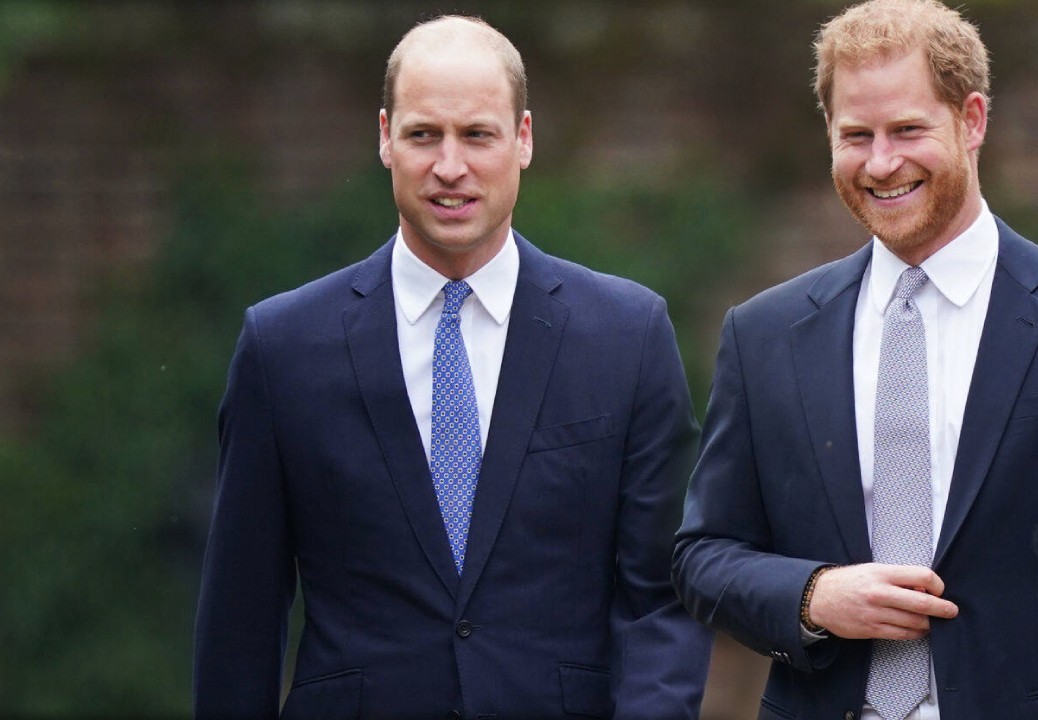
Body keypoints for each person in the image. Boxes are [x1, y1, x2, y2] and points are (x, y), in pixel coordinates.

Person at [672, 0, 1038, 718]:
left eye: (907, 130)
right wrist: (811, 596)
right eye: (856, 135)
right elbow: (703, 556)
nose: (881, 162)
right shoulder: (764, 332)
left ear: (972, 121)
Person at [194, 15, 711, 719]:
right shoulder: (282, 346)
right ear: (384, 137)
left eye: (477, 134)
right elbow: (240, 617)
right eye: (422, 134)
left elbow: (660, 601)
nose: (450, 166)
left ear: (523, 139)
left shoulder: (627, 336)